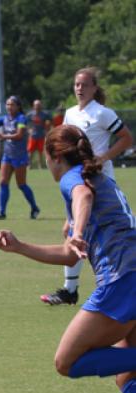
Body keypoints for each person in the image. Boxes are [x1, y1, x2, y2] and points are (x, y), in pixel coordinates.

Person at [0, 124, 136, 393]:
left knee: (67, 361)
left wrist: (78, 230)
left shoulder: (72, 178)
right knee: (127, 377)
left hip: (122, 280)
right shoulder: (99, 177)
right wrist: (20, 247)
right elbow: (70, 256)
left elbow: (83, 195)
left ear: (54, 156)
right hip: (130, 277)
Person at [40, 67, 133, 306]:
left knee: (83, 233)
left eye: (84, 84)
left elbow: (126, 138)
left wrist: (103, 157)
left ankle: (98, 285)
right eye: (76, 84)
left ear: (94, 87)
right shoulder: (71, 113)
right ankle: (72, 289)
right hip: (78, 178)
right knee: (71, 232)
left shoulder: (102, 113)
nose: (80, 88)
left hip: (97, 181)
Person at [0, 95, 40, 220]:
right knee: (3, 182)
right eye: (8, 104)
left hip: (19, 156)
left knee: (21, 184)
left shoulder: (21, 119)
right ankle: (1, 211)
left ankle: (34, 207)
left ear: (18, 106)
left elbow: (20, 135)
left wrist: (3, 136)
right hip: (8, 155)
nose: (9, 107)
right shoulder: (4, 119)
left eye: (12, 104)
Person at [26, 99, 51, 169]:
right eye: (36, 105)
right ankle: (29, 165)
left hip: (41, 135)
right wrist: (29, 130)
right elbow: (26, 123)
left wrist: (47, 129)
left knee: (40, 152)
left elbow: (49, 122)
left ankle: (40, 166)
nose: (38, 106)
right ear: (34, 106)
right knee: (30, 152)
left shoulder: (44, 114)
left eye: (39, 105)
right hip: (33, 135)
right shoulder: (30, 114)